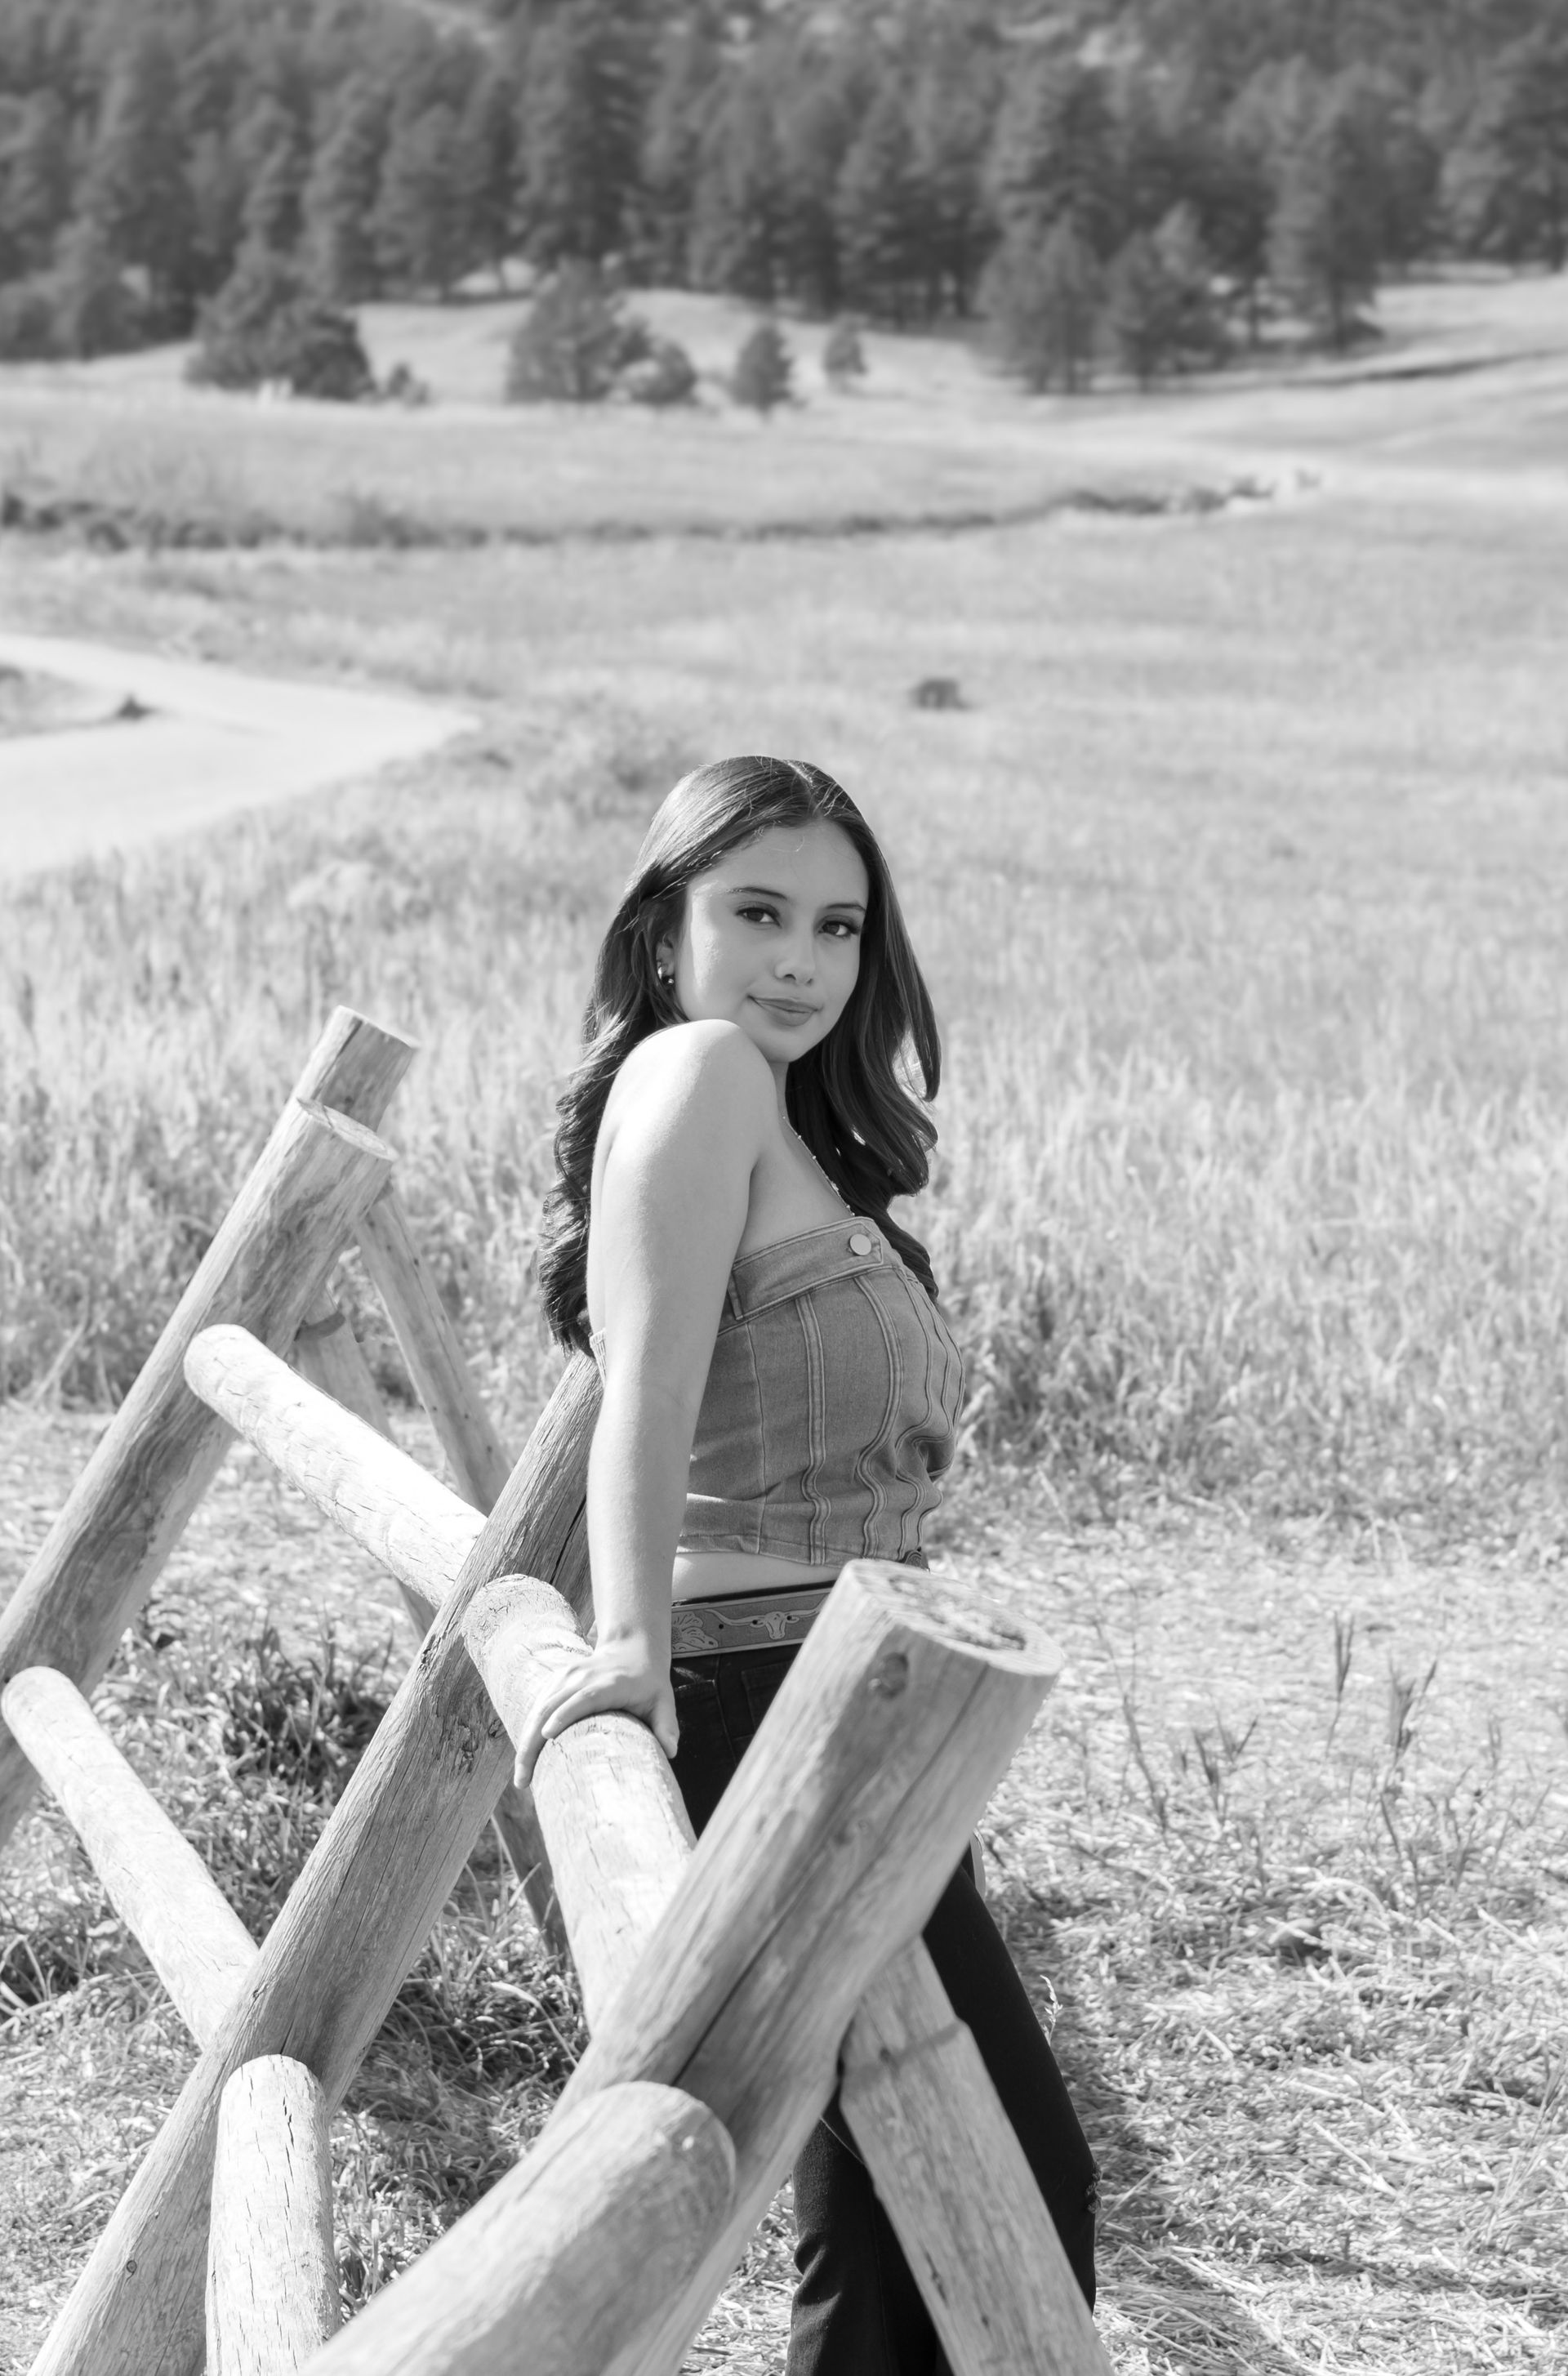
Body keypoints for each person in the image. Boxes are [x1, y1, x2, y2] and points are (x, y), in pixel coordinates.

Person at [518, 756, 1097, 2375]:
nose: (800, 961)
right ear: (664, 932)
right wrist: (629, 1649)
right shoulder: (701, 1072)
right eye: (756, 913)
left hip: (848, 1697)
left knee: (902, 2204)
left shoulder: (776, 1120)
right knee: (1004, 2185)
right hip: (765, 1693)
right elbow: (644, 1390)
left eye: (837, 927)